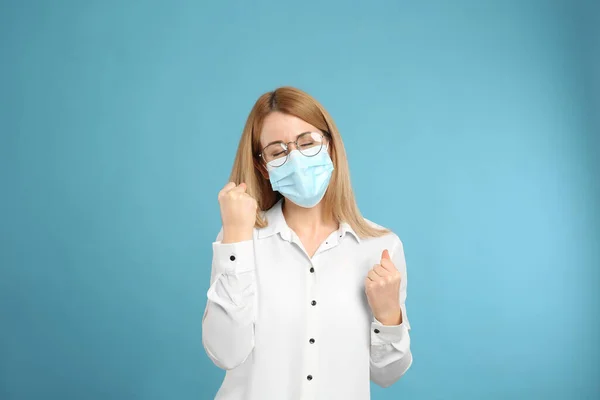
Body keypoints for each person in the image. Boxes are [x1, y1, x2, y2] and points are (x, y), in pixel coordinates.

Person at [202, 87, 412, 399]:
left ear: (330, 146)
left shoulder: (379, 246)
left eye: (307, 142)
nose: (296, 159)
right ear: (263, 166)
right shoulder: (240, 240)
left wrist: (388, 315)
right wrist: (235, 241)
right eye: (278, 151)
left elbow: (387, 375)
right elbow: (225, 353)